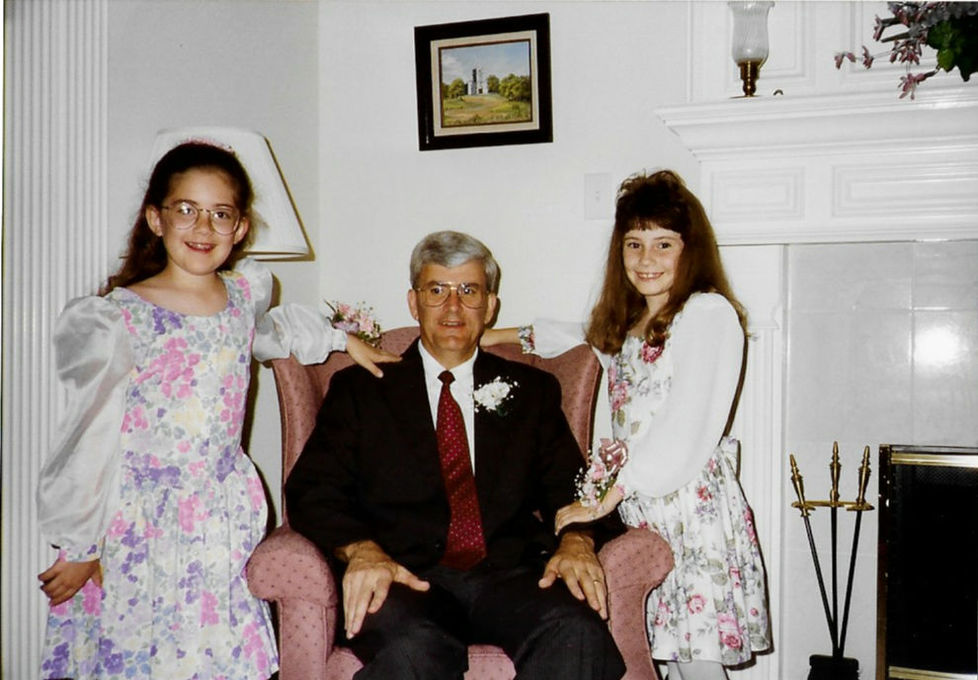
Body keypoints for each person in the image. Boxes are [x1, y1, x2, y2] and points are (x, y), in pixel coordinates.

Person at [35, 141, 398, 680]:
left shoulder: (241, 297)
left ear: (240, 227)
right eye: (186, 209)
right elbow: (90, 435)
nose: (203, 227)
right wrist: (82, 544)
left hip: (219, 515)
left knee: (211, 652)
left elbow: (274, 333)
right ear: (156, 218)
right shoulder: (118, 318)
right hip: (140, 521)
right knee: (141, 652)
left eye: (220, 214)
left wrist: (341, 340)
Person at [285, 230, 626, 680]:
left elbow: (569, 484)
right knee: (413, 648)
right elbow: (312, 489)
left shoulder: (531, 390)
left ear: (490, 305)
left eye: (469, 291)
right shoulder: (360, 390)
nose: (452, 307)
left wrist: (577, 540)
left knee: (575, 631)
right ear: (414, 302)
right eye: (436, 291)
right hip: (401, 575)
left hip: (510, 575)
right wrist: (362, 550)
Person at [483, 170, 771, 680]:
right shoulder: (628, 324)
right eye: (634, 244)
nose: (646, 259)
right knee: (667, 660)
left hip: (690, 511)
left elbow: (685, 428)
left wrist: (605, 497)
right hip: (642, 511)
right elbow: (565, 334)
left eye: (664, 244)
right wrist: (484, 336)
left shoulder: (706, 314)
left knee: (698, 666)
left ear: (690, 250)